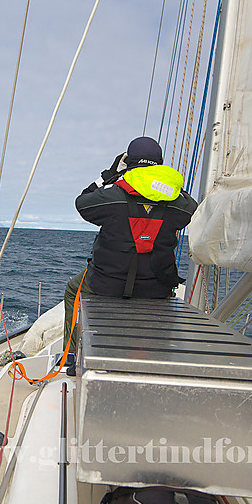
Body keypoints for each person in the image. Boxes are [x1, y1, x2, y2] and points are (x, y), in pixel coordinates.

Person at [63, 137, 198, 352]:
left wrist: (110, 175)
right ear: (160, 163)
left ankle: (71, 355)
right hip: (156, 289)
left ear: (129, 161)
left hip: (106, 284)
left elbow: (82, 201)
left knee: (73, 290)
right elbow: (193, 210)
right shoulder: (178, 204)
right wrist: (171, 185)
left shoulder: (111, 196)